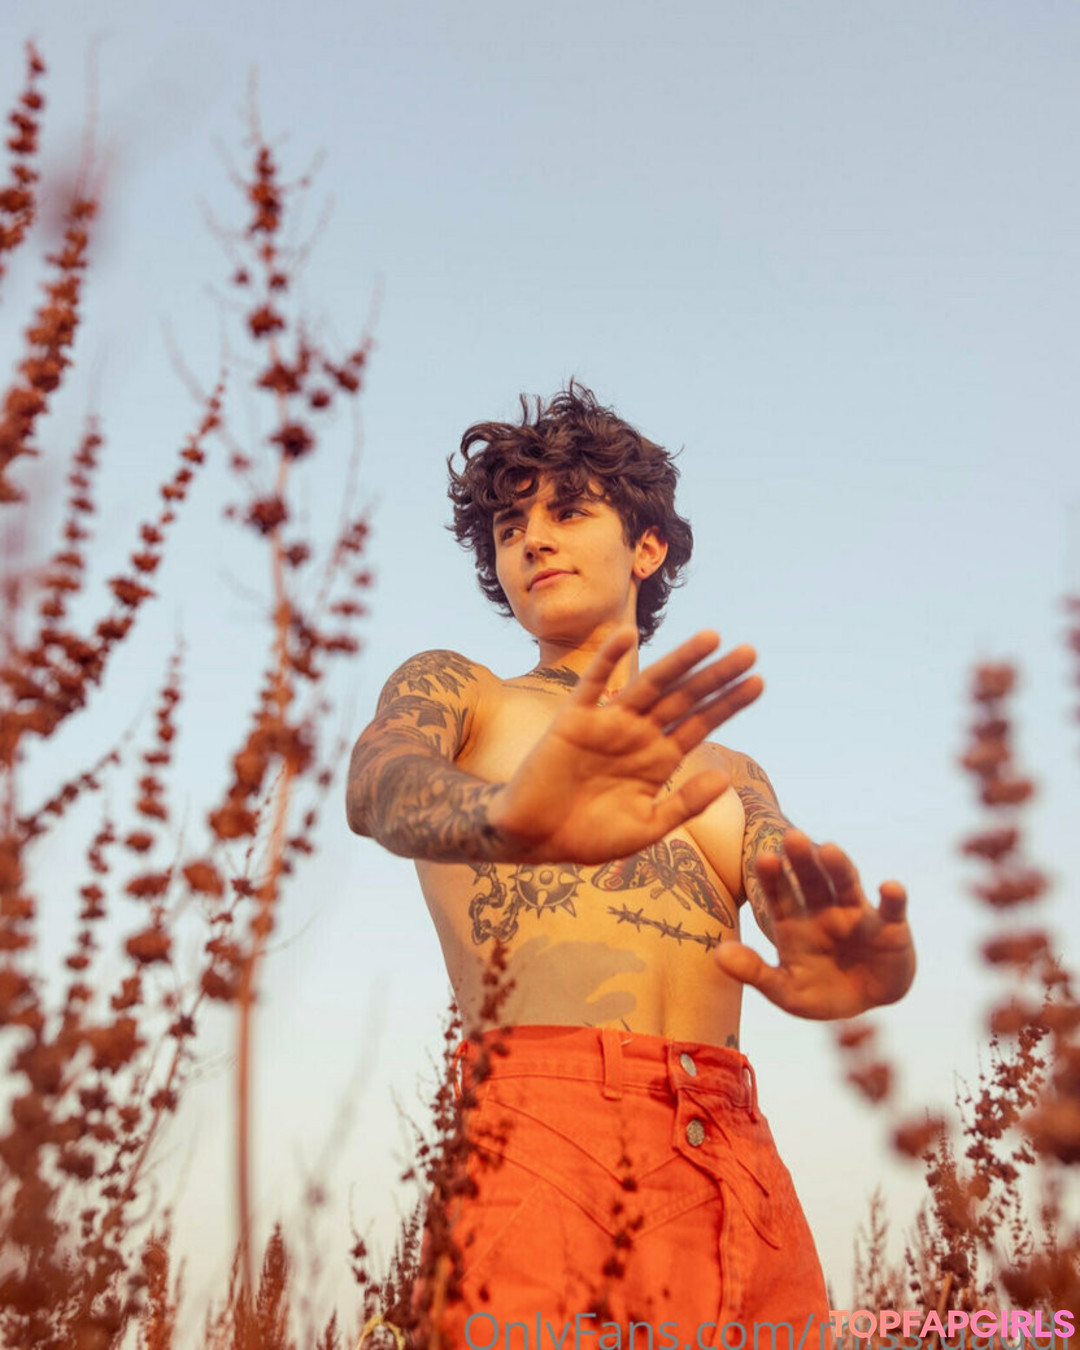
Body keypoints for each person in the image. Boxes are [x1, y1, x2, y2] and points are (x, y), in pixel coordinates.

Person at [346, 382, 915, 1349]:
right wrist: (502, 815)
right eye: (509, 527)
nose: (533, 539)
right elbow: (377, 784)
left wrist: (853, 963)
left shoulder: (732, 773)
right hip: (544, 1140)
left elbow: (789, 900)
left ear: (647, 547)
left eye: (567, 511)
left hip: (738, 1160)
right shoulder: (465, 693)